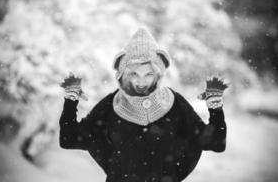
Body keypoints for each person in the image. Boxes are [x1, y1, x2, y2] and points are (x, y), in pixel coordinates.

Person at [59, 28, 229, 182]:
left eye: (148, 74)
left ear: (158, 73)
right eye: (134, 73)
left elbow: (215, 143)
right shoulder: (110, 105)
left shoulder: (175, 104)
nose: (141, 82)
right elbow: (69, 139)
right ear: (123, 74)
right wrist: (70, 101)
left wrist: (215, 108)